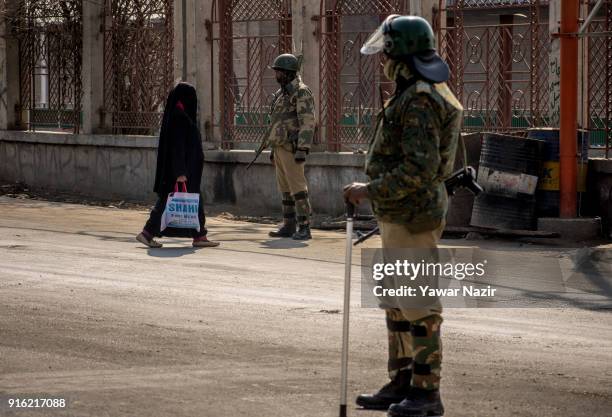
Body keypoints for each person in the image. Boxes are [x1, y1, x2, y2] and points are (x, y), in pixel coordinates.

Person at [343, 15, 463, 417]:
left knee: (419, 306)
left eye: (388, 52)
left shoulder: (421, 99)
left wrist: (370, 189)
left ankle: (427, 393)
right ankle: (402, 381)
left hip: (412, 215)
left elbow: (420, 168)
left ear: (402, 54)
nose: (384, 60)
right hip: (399, 212)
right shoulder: (413, 91)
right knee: (395, 302)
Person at [136, 82, 219, 249]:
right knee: (167, 202)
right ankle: (147, 233)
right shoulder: (179, 118)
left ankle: (199, 235)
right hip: (181, 172)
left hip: (187, 170)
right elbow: (177, 147)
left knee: (193, 201)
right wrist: (180, 172)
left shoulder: (179, 115)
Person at [266, 54, 316, 241]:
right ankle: (289, 225)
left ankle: (304, 226)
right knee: (285, 189)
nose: (276, 75)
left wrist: (302, 148)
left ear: (287, 73)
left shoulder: (301, 92)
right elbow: (276, 122)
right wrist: (272, 149)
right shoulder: (282, 94)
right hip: (280, 147)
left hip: (292, 148)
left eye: (278, 71)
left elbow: (308, 122)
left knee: (298, 188)